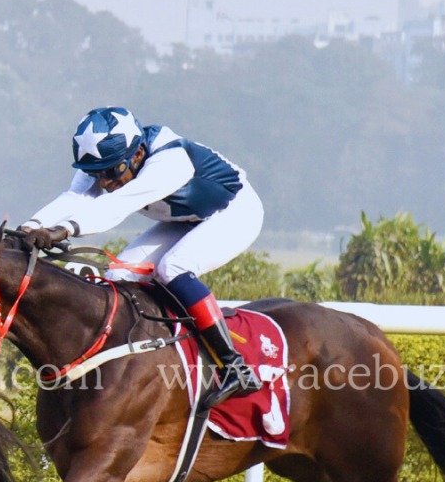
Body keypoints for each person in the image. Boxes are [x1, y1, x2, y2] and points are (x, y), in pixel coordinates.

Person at [21, 106, 264, 409]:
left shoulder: (170, 161)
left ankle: (234, 366)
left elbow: (117, 206)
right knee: (118, 276)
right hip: (187, 218)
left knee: (173, 267)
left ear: (136, 155)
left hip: (235, 213)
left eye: (111, 173)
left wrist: (64, 229)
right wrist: (30, 226)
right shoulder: (105, 162)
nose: (104, 183)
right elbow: (74, 199)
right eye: (95, 175)